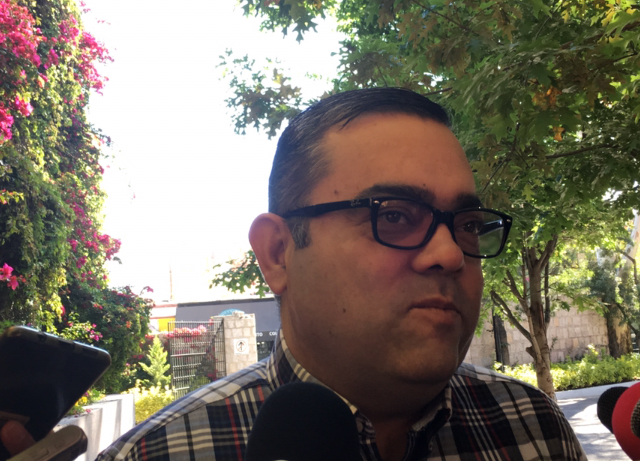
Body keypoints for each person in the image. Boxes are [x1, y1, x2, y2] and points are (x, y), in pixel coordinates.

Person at [2, 88, 587, 461]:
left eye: (467, 224)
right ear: (278, 253)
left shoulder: (534, 430)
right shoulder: (160, 454)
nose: (450, 254)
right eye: (394, 215)